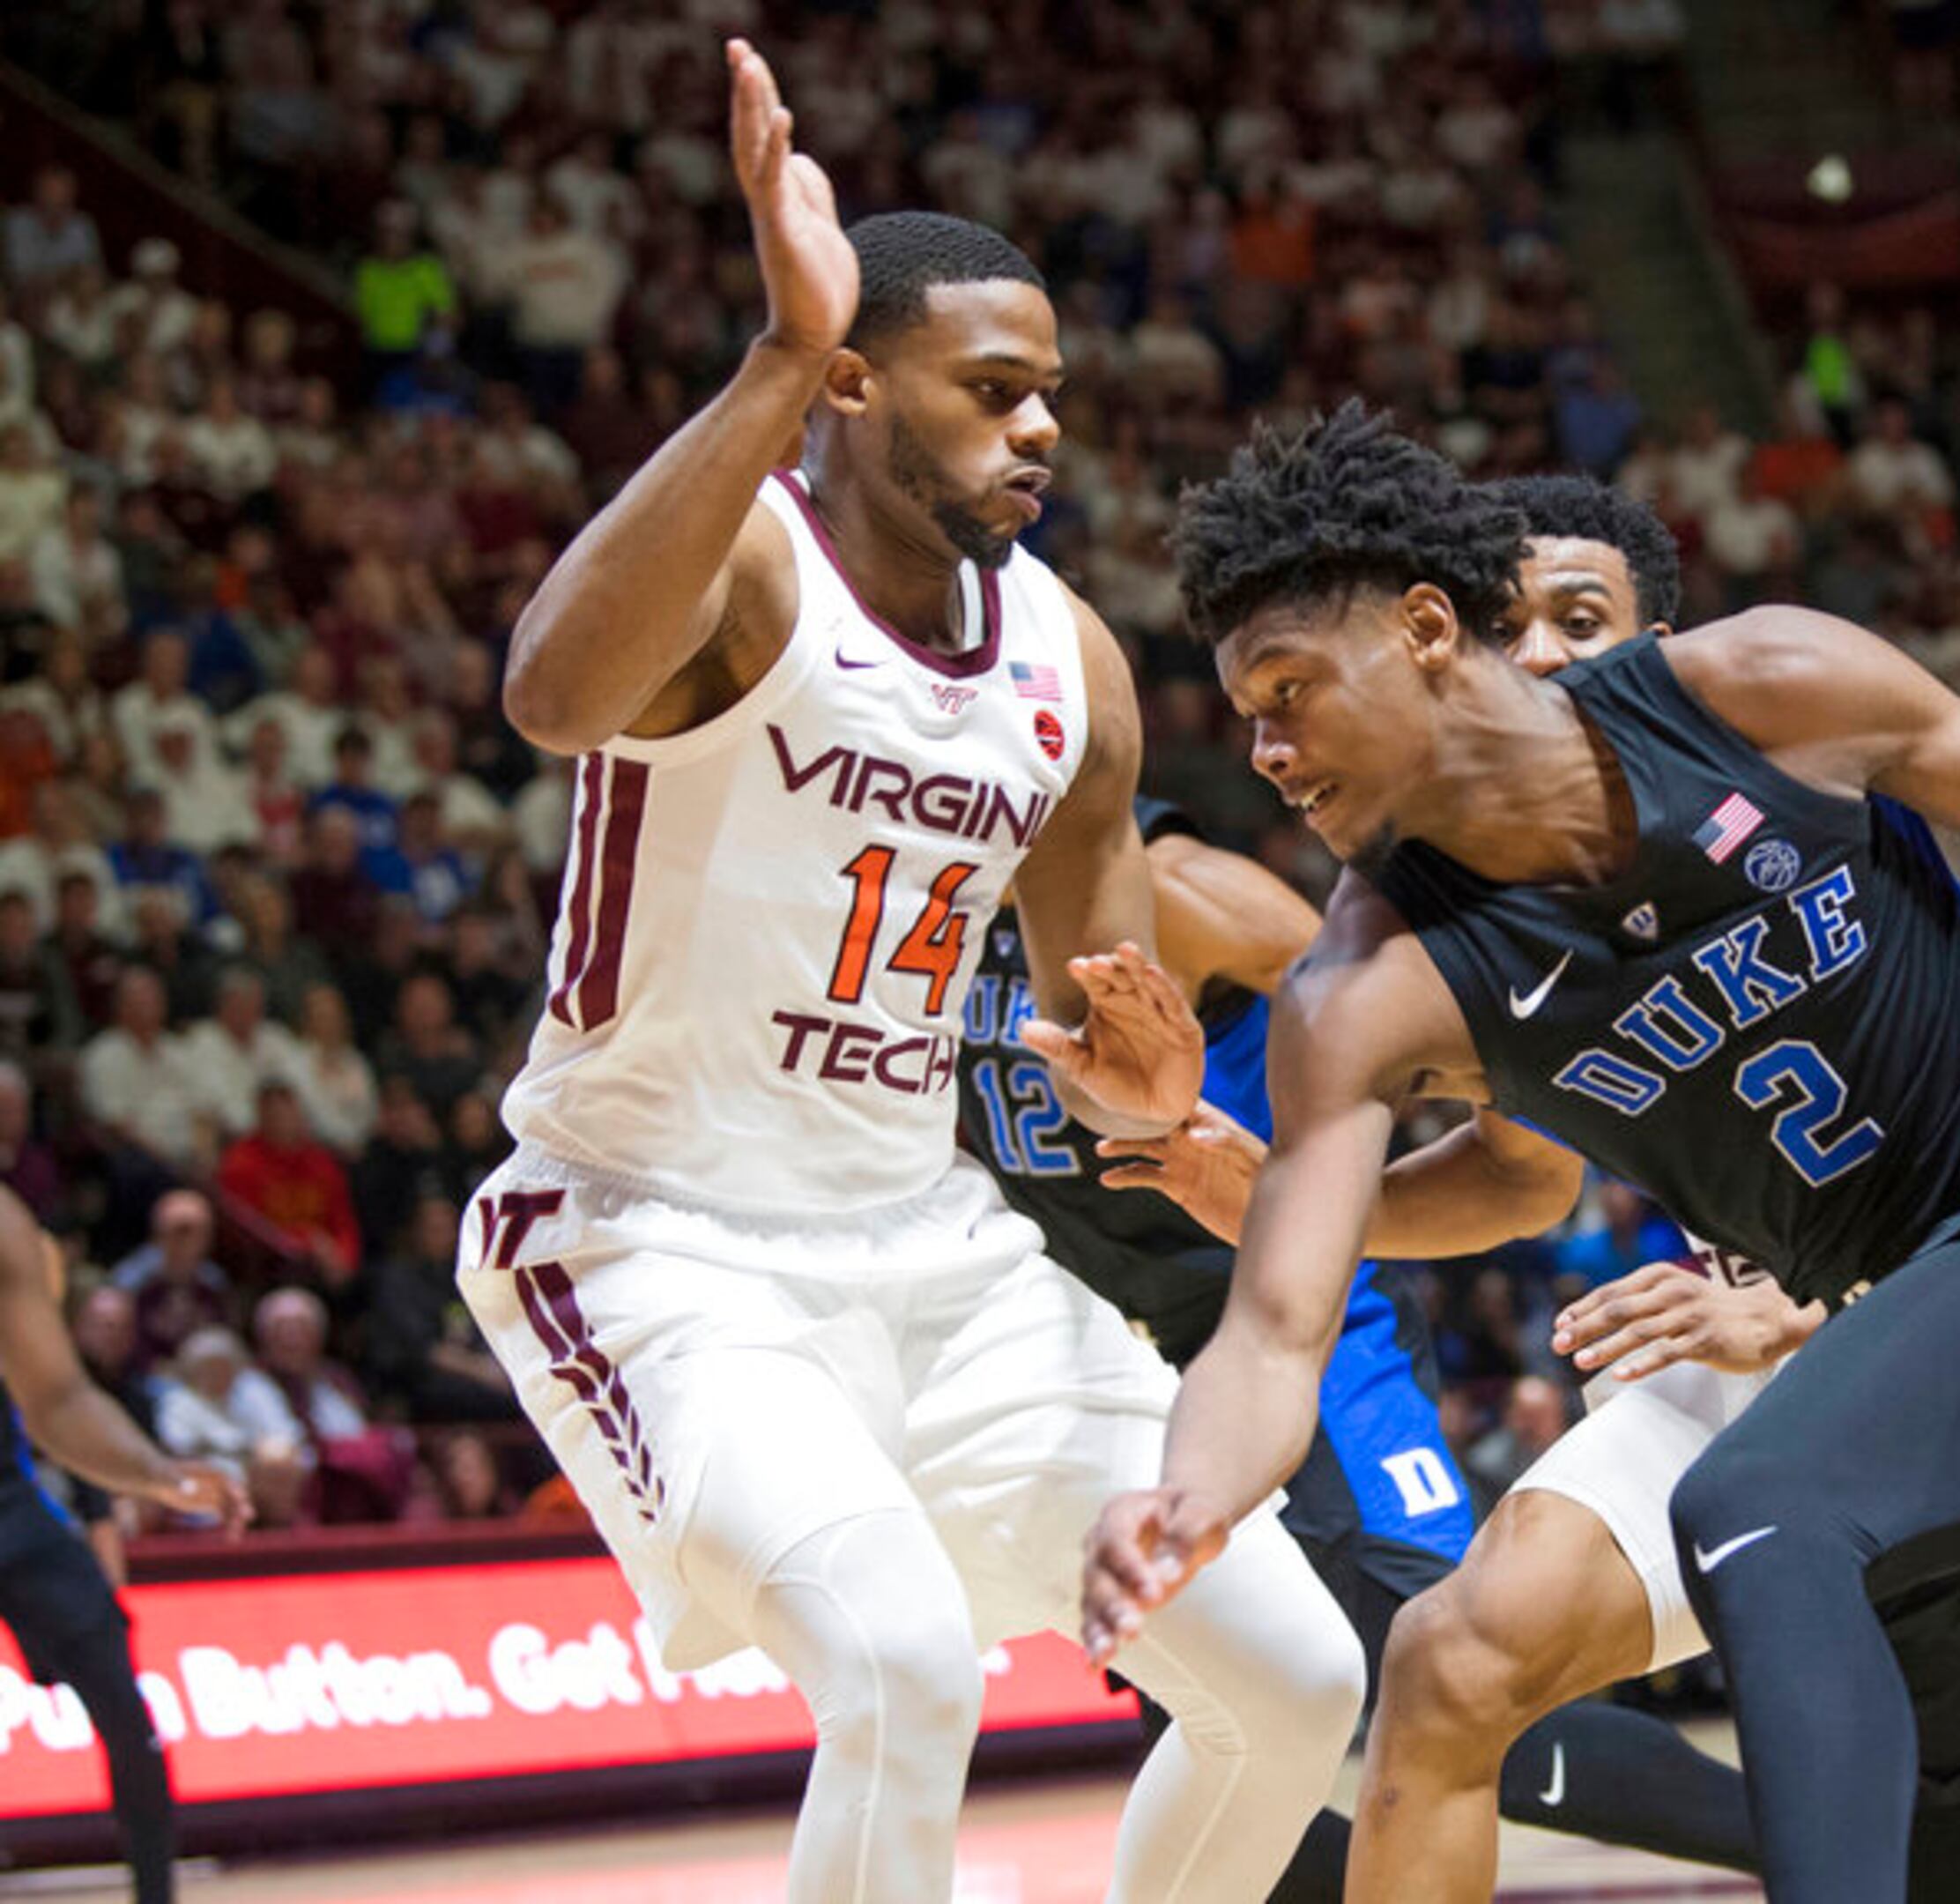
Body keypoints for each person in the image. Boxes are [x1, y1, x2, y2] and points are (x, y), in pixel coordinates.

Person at [1089, 413, 1960, 1903]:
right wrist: (1187, 1499)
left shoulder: (1760, 689)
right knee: (1500, 1642)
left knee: (1768, 1519)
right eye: (1247, 710)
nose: (1262, 749)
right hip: (1876, 1408)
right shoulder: (1364, 987)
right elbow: (1276, 1326)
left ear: (1433, 630)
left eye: (1289, 693)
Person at [472, 48, 1362, 1902]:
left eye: (1052, 395)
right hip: (656, 1241)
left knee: (1297, 1685)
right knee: (901, 1663)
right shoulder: (746, 574)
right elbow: (552, 698)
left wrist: (1140, 1087)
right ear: (857, 384)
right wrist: (773, 355)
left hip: (931, 1245)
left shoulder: (1069, 662)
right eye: (993, 389)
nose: (1040, 428)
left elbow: (1105, 1002)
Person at [957, 780, 1756, 1889]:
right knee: (1215, 1754)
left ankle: (1833, 1843)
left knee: (1457, 1679)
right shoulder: (922, 915)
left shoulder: (1187, 896)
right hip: (1124, 1361)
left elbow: (1428, 1025)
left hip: (1307, 1324)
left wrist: (1409, 1171)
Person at [0, 1187, 249, 1904]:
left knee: (120, 1694)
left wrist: (158, 1474)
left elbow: (57, 1399)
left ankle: (155, 1892)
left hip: (11, 1503)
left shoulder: (6, 1226)